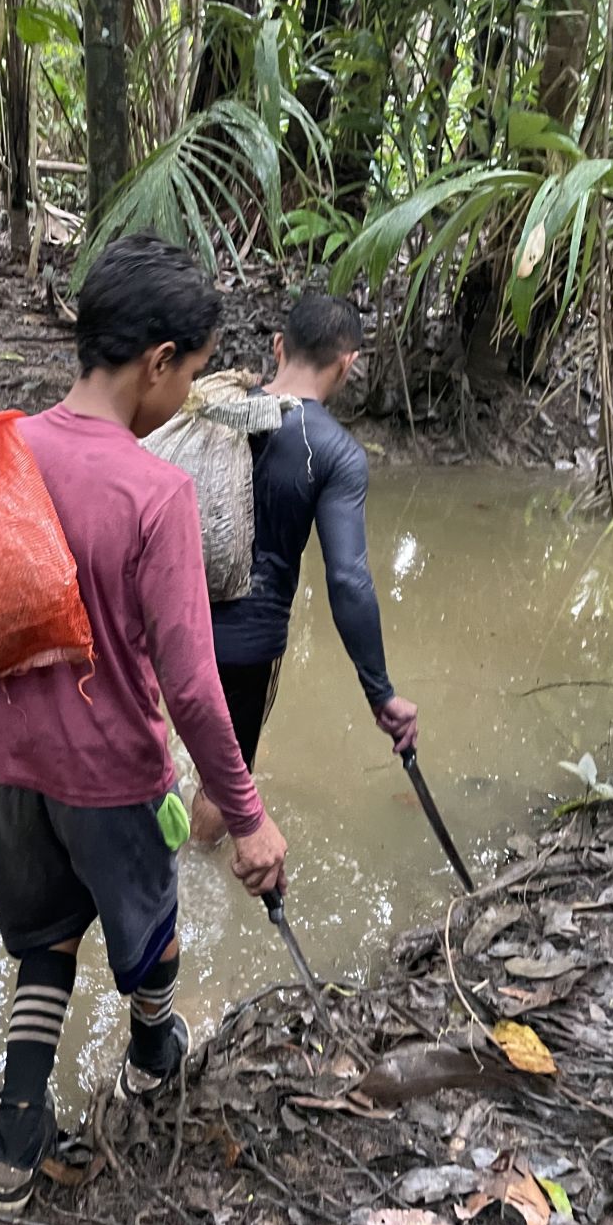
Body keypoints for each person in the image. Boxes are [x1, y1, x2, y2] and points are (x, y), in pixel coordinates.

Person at [0, 233, 289, 1216]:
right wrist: (246, 816)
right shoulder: (158, 492)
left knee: (46, 943)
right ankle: (155, 1052)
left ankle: (14, 1139)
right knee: (149, 933)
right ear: (159, 362)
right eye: (190, 375)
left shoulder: (7, 449)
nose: (185, 394)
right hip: (118, 783)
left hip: (9, 771)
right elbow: (193, 689)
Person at [191, 293, 418, 845]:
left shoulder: (214, 407)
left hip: (170, 620)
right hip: (246, 644)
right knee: (227, 781)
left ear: (278, 346)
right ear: (347, 363)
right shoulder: (337, 452)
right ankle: (195, 865)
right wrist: (380, 692)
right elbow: (347, 578)